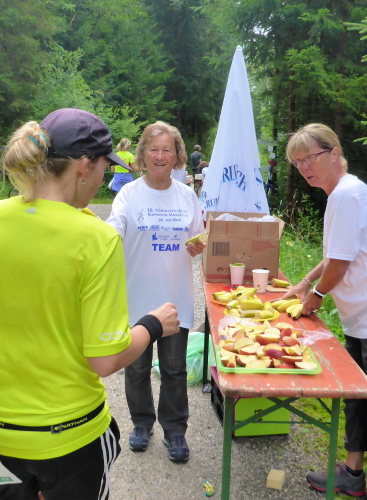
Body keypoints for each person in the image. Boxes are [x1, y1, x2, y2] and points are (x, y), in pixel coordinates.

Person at [0, 108, 181, 500]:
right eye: (104, 168)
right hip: (68, 437)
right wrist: (152, 324)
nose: (104, 179)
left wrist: (8, 318)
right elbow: (105, 360)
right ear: (83, 167)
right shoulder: (96, 238)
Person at [282, 123, 367, 500]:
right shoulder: (339, 194)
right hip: (362, 317)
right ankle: (353, 473)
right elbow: (334, 253)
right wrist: (304, 282)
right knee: (356, 397)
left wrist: (316, 296)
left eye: (310, 158)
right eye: (297, 163)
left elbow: (340, 264)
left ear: (334, 153)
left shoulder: (347, 194)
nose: (305, 168)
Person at [106, 121, 207, 464]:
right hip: (136, 298)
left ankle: (175, 430)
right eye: (154, 149)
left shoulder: (187, 195)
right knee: (135, 368)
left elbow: (197, 238)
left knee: (175, 369)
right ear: (143, 154)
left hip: (175, 298)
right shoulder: (129, 194)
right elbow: (114, 227)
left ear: (177, 156)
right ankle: (141, 423)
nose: (160, 156)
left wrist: (197, 247)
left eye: (167, 150)